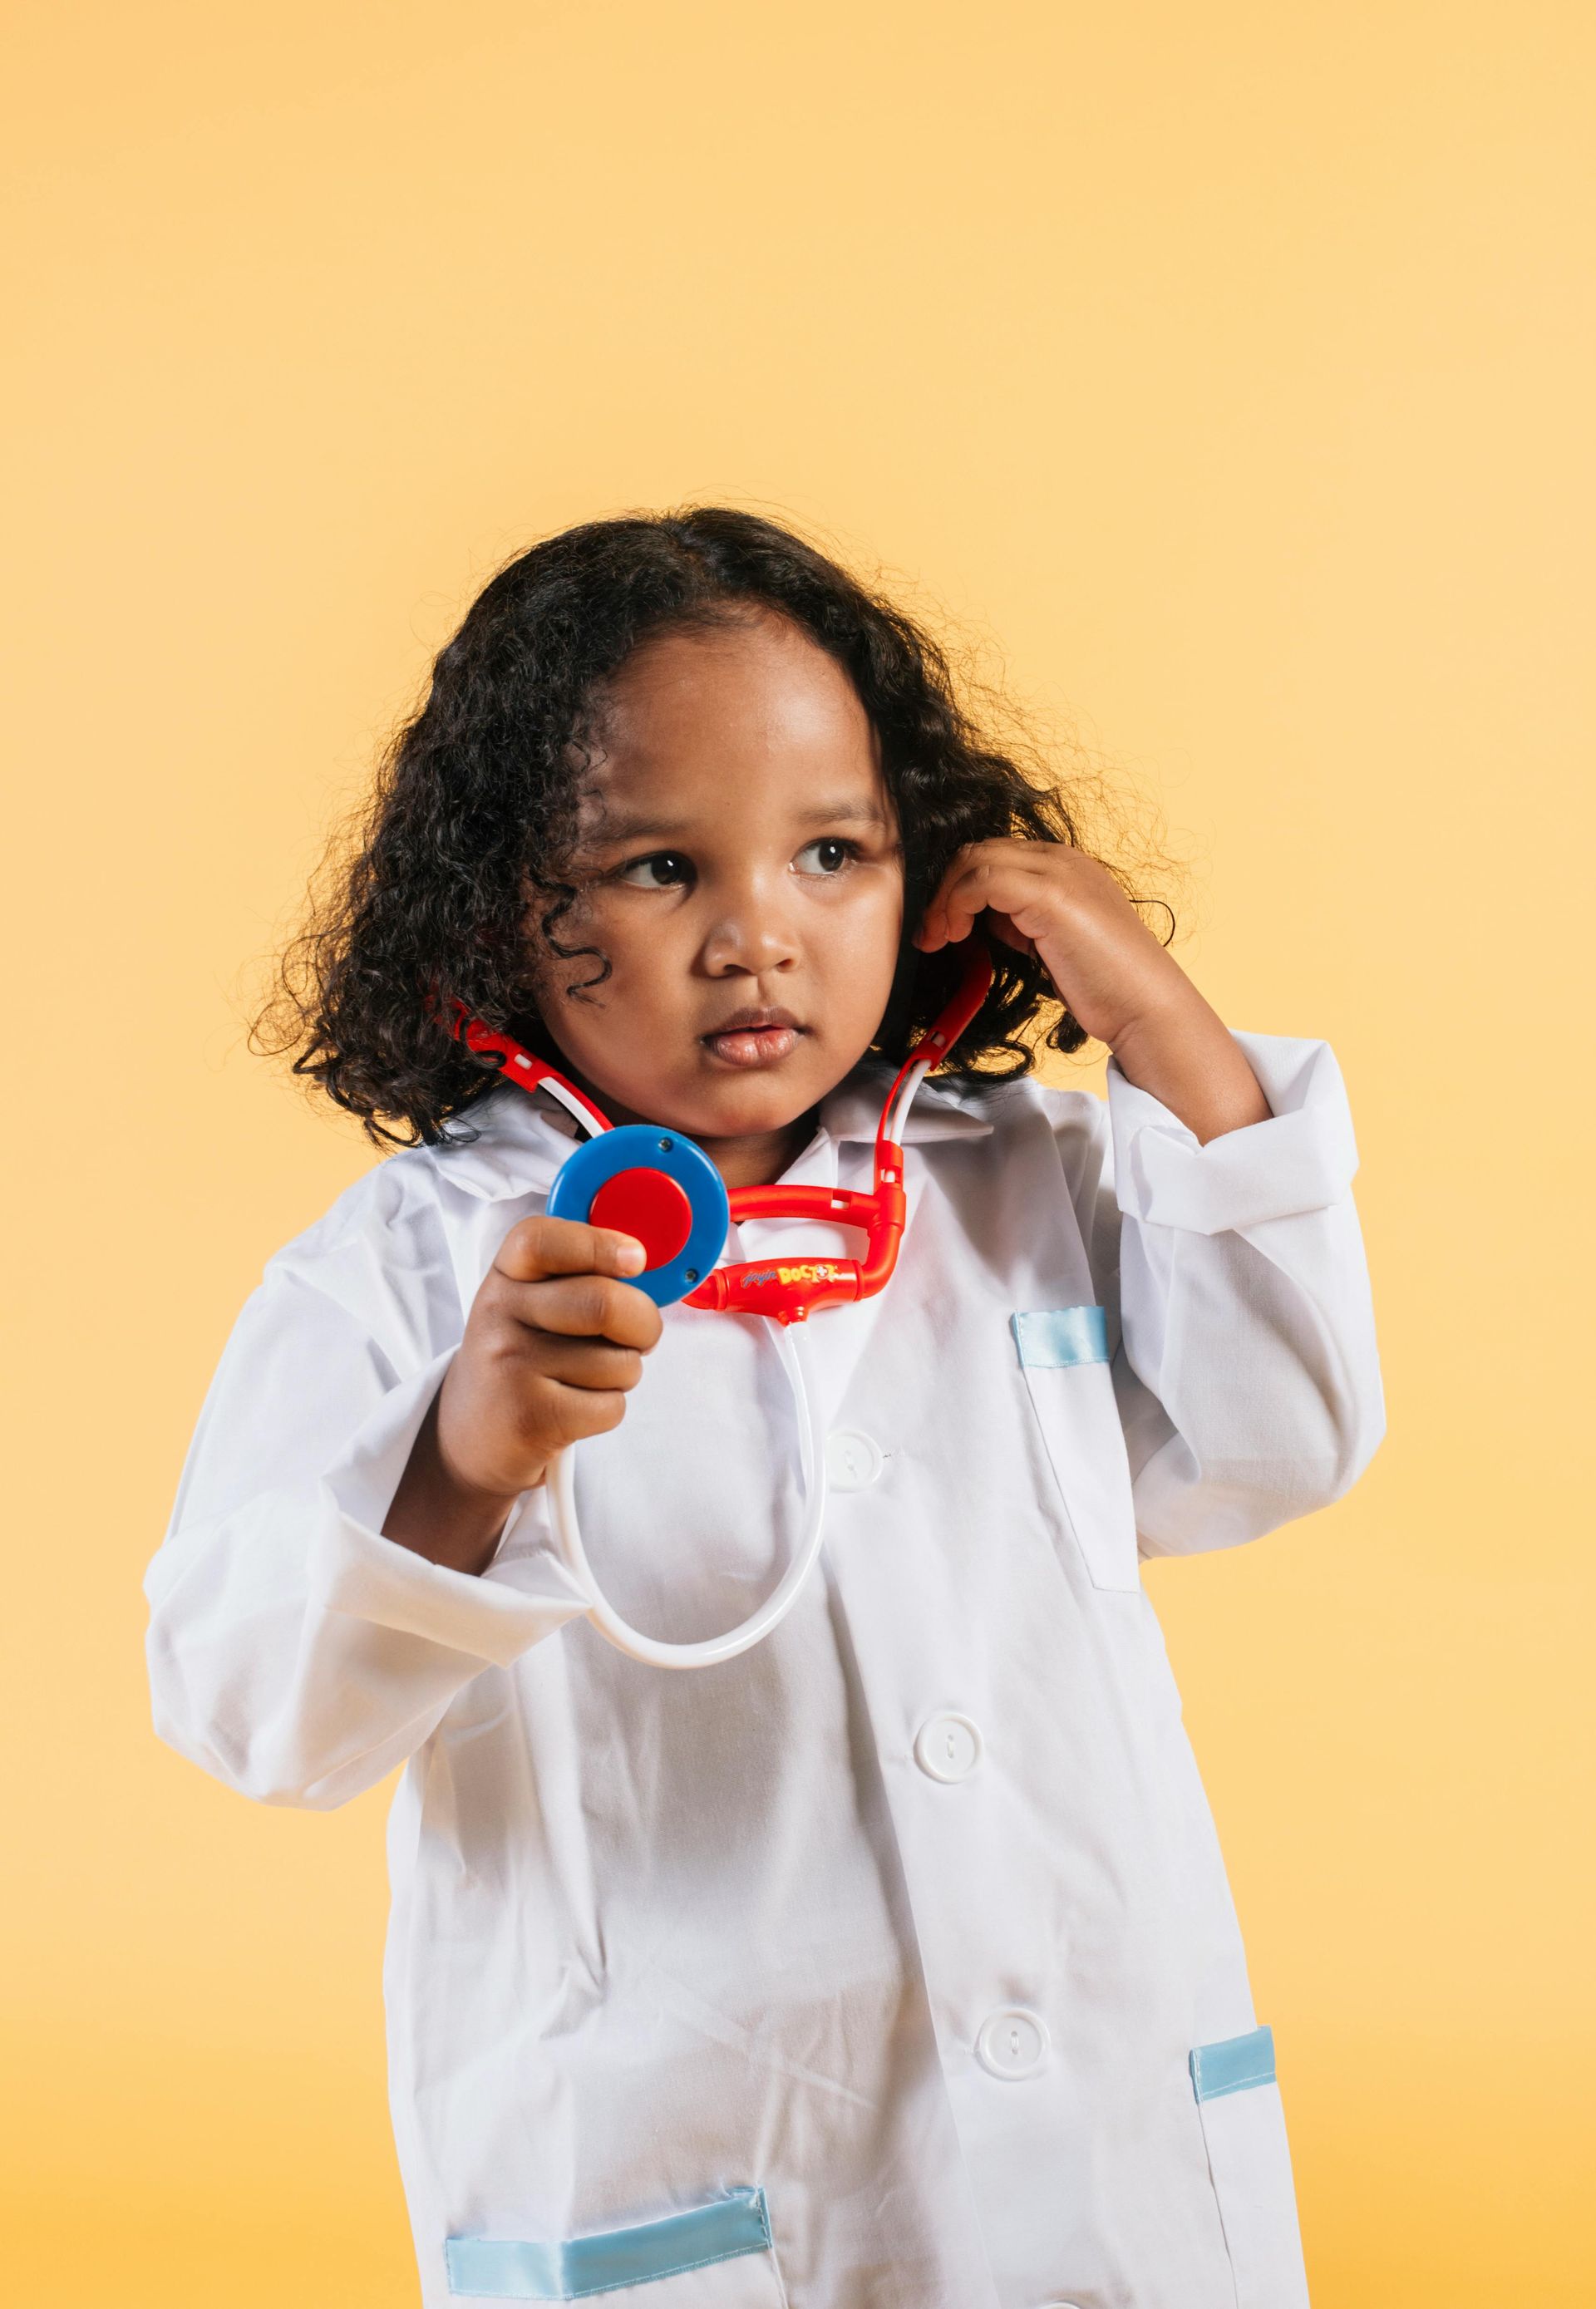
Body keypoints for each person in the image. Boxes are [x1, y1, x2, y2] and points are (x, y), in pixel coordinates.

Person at [145, 507, 1384, 2309]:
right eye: (660, 869)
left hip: (1102, 2139)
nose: (758, 938)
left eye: (830, 853)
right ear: (505, 900)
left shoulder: (1020, 1178)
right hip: (688, 2157)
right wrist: (461, 1469)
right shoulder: (416, 1267)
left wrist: (1167, 1031)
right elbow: (251, 1710)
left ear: (933, 868)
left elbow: (1274, 1443)